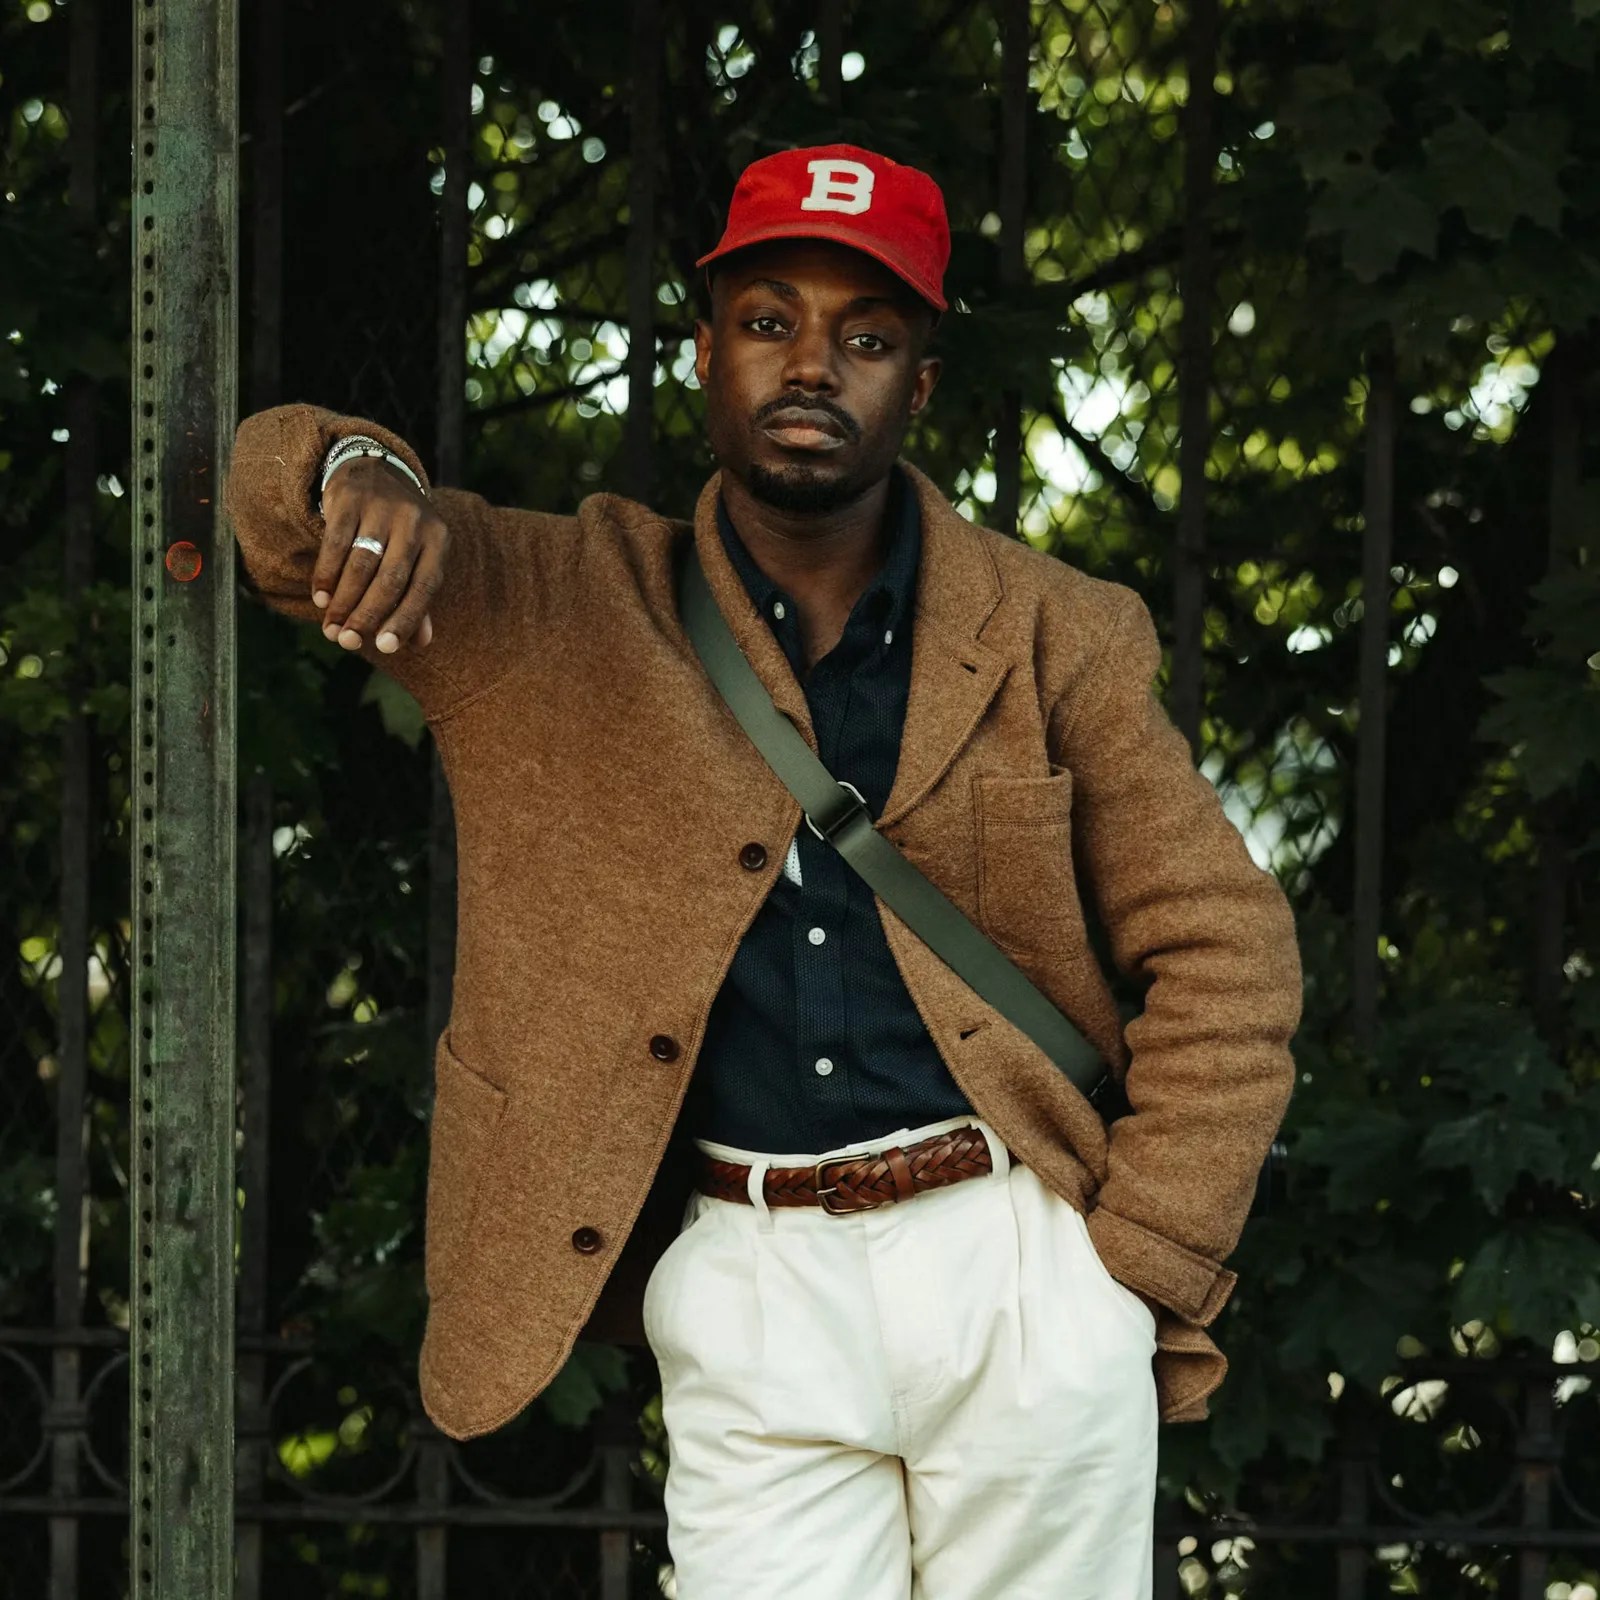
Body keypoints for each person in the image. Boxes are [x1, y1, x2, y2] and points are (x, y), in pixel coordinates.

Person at [225, 142, 1303, 1598]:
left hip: (1020, 1263)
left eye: (866, 337)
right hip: (748, 1271)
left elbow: (1225, 943)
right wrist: (366, 475)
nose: (813, 366)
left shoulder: (1061, 632)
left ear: (920, 383)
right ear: (706, 349)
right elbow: (277, 505)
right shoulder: (559, 603)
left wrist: (1136, 1263)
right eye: (770, 320)